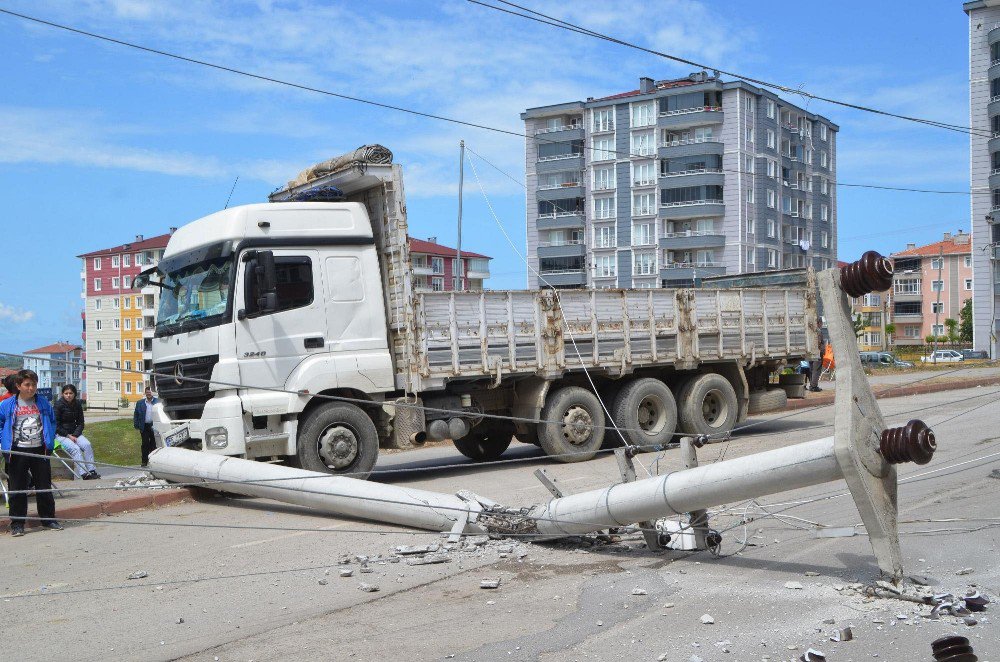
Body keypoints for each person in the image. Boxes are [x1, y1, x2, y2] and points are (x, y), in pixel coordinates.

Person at [0, 369, 62, 536]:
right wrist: (3, 440)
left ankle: (48, 519)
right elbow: (0, 424)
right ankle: (17, 523)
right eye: (27, 385)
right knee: (17, 487)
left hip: (39, 449)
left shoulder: (43, 403)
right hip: (16, 451)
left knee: (43, 486)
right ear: (18, 386)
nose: (31, 388)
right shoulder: (7, 405)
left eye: (34, 384)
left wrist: (49, 440)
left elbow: (53, 421)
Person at [54, 384, 100, 480]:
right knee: (76, 449)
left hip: (75, 433)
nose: (68, 395)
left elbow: (81, 423)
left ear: (74, 394)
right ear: (62, 394)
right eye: (66, 393)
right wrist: (68, 436)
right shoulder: (58, 405)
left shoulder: (77, 404)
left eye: (71, 393)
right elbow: (56, 425)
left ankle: (91, 470)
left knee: (87, 445)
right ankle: (84, 473)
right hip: (62, 435)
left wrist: (75, 434)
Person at [134, 387, 158, 467]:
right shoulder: (140, 403)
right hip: (144, 426)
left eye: (150, 392)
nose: (149, 393)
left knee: (154, 444)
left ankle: (153, 462)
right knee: (145, 444)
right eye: (147, 392)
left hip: (154, 426)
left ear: (152, 393)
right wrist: (137, 425)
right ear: (145, 393)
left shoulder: (157, 402)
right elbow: (136, 414)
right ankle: (144, 461)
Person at [808, 317, 825, 393]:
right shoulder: (818, 331)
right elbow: (819, 342)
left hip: (810, 352)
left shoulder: (810, 331)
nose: (822, 324)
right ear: (819, 323)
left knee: (812, 370)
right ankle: (814, 386)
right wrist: (821, 350)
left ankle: (812, 385)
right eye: (821, 323)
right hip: (817, 353)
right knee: (816, 370)